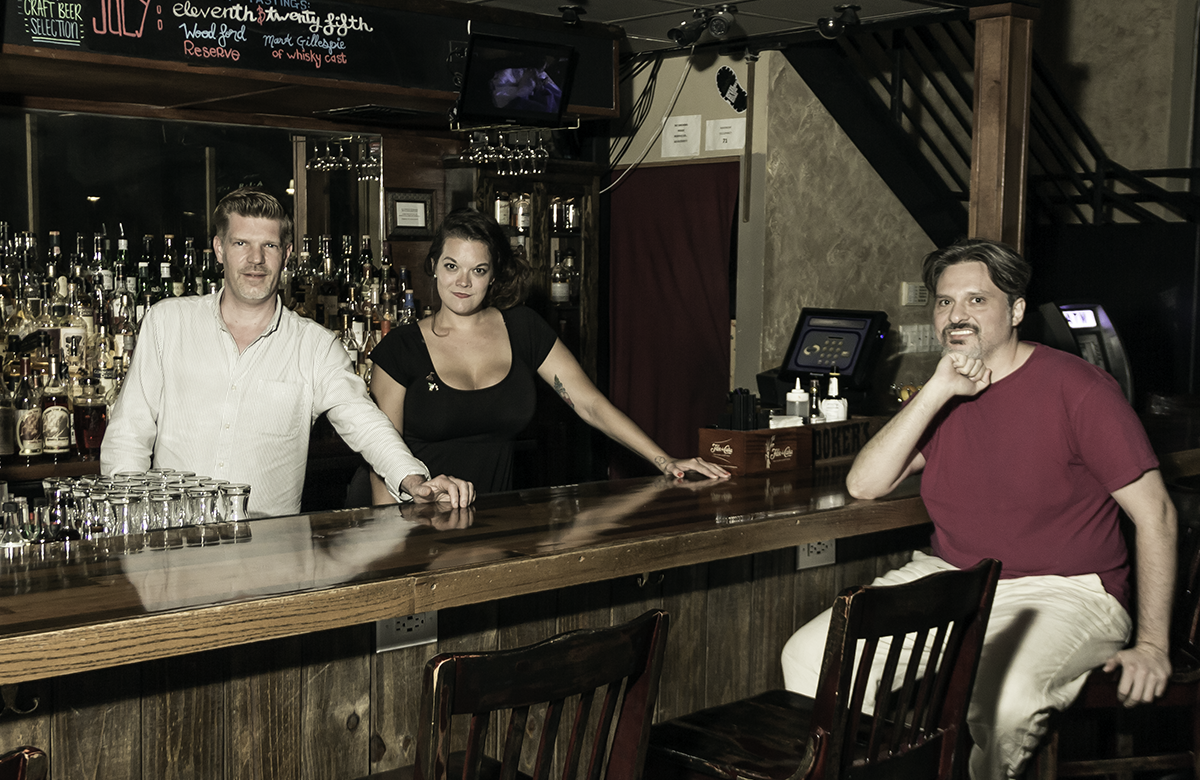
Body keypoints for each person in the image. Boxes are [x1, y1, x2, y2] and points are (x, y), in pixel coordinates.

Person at [779, 239, 1177, 780]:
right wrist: (938, 388)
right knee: (808, 657)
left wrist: (1153, 644)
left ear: (1015, 311)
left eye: (976, 300)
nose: (956, 315)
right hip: (954, 578)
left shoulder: (1079, 389)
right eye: (944, 302)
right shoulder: (944, 393)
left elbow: (1156, 515)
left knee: (1003, 704)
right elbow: (865, 484)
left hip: (1066, 589)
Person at [101, 187, 474, 517]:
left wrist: (414, 480)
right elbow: (129, 434)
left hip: (267, 556)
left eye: (269, 245)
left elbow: (365, 423)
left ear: (288, 253)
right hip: (173, 548)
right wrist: (132, 522)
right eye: (240, 243)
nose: (256, 259)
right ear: (218, 248)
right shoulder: (168, 323)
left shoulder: (315, 347)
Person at [364, 208, 728, 502]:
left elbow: (590, 404)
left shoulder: (523, 329)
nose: (463, 282)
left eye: (478, 270)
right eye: (451, 266)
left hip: (496, 516)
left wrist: (665, 461)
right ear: (433, 267)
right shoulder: (401, 349)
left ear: (493, 276)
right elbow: (381, 458)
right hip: (420, 516)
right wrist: (394, 537)